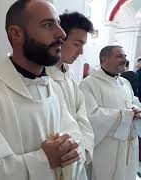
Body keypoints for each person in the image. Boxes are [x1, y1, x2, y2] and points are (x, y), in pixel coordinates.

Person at [0, 0, 88, 179]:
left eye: (59, 25)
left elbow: (73, 132)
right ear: (16, 34)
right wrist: (42, 160)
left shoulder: (53, 89)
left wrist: (71, 146)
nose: (61, 33)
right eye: (48, 25)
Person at [79, 45, 141, 180]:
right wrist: (123, 115)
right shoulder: (89, 84)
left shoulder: (125, 83)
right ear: (105, 59)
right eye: (119, 56)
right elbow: (89, 116)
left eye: (125, 56)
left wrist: (137, 110)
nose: (124, 60)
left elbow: (134, 101)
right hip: (106, 148)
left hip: (128, 145)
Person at [45, 11, 94, 179]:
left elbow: (82, 116)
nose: (80, 51)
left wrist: (84, 147)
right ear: (60, 39)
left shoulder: (70, 76)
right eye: (77, 43)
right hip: (58, 160)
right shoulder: (43, 77)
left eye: (83, 45)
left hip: (77, 156)